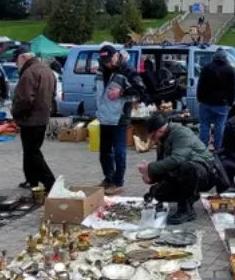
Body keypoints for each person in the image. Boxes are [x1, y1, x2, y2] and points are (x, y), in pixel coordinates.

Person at [139, 113, 227, 224]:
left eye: (152, 136)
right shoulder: (162, 139)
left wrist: (150, 168)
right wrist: (151, 177)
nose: (152, 140)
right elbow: (163, 166)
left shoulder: (180, 133)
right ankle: (188, 195)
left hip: (206, 172)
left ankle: (187, 209)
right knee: (158, 193)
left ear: (160, 131)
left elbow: (178, 159)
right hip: (186, 172)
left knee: (187, 168)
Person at [95, 44, 145, 195]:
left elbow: (140, 89)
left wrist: (122, 92)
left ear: (117, 55)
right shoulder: (100, 70)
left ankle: (118, 182)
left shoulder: (128, 71)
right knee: (104, 151)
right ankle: (108, 178)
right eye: (105, 61)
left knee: (119, 151)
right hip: (104, 117)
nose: (108, 64)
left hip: (120, 117)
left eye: (110, 60)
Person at [11, 51, 56, 192]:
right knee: (30, 150)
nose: (16, 65)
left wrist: (15, 112)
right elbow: (53, 94)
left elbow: (25, 99)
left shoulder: (29, 73)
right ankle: (32, 179)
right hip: (42, 117)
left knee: (33, 152)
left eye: (17, 62)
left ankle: (50, 182)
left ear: (24, 58)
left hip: (30, 118)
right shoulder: (47, 71)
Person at [196, 48, 235, 151]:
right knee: (220, 126)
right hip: (222, 103)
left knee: (204, 126)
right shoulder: (230, 70)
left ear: (214, 57)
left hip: (206, 101)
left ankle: (202, 148)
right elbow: (232, 88)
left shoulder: (206, 68)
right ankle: (218, 147)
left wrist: (199, 98)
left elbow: (200, 85)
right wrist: (230, 102)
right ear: (225, 57)